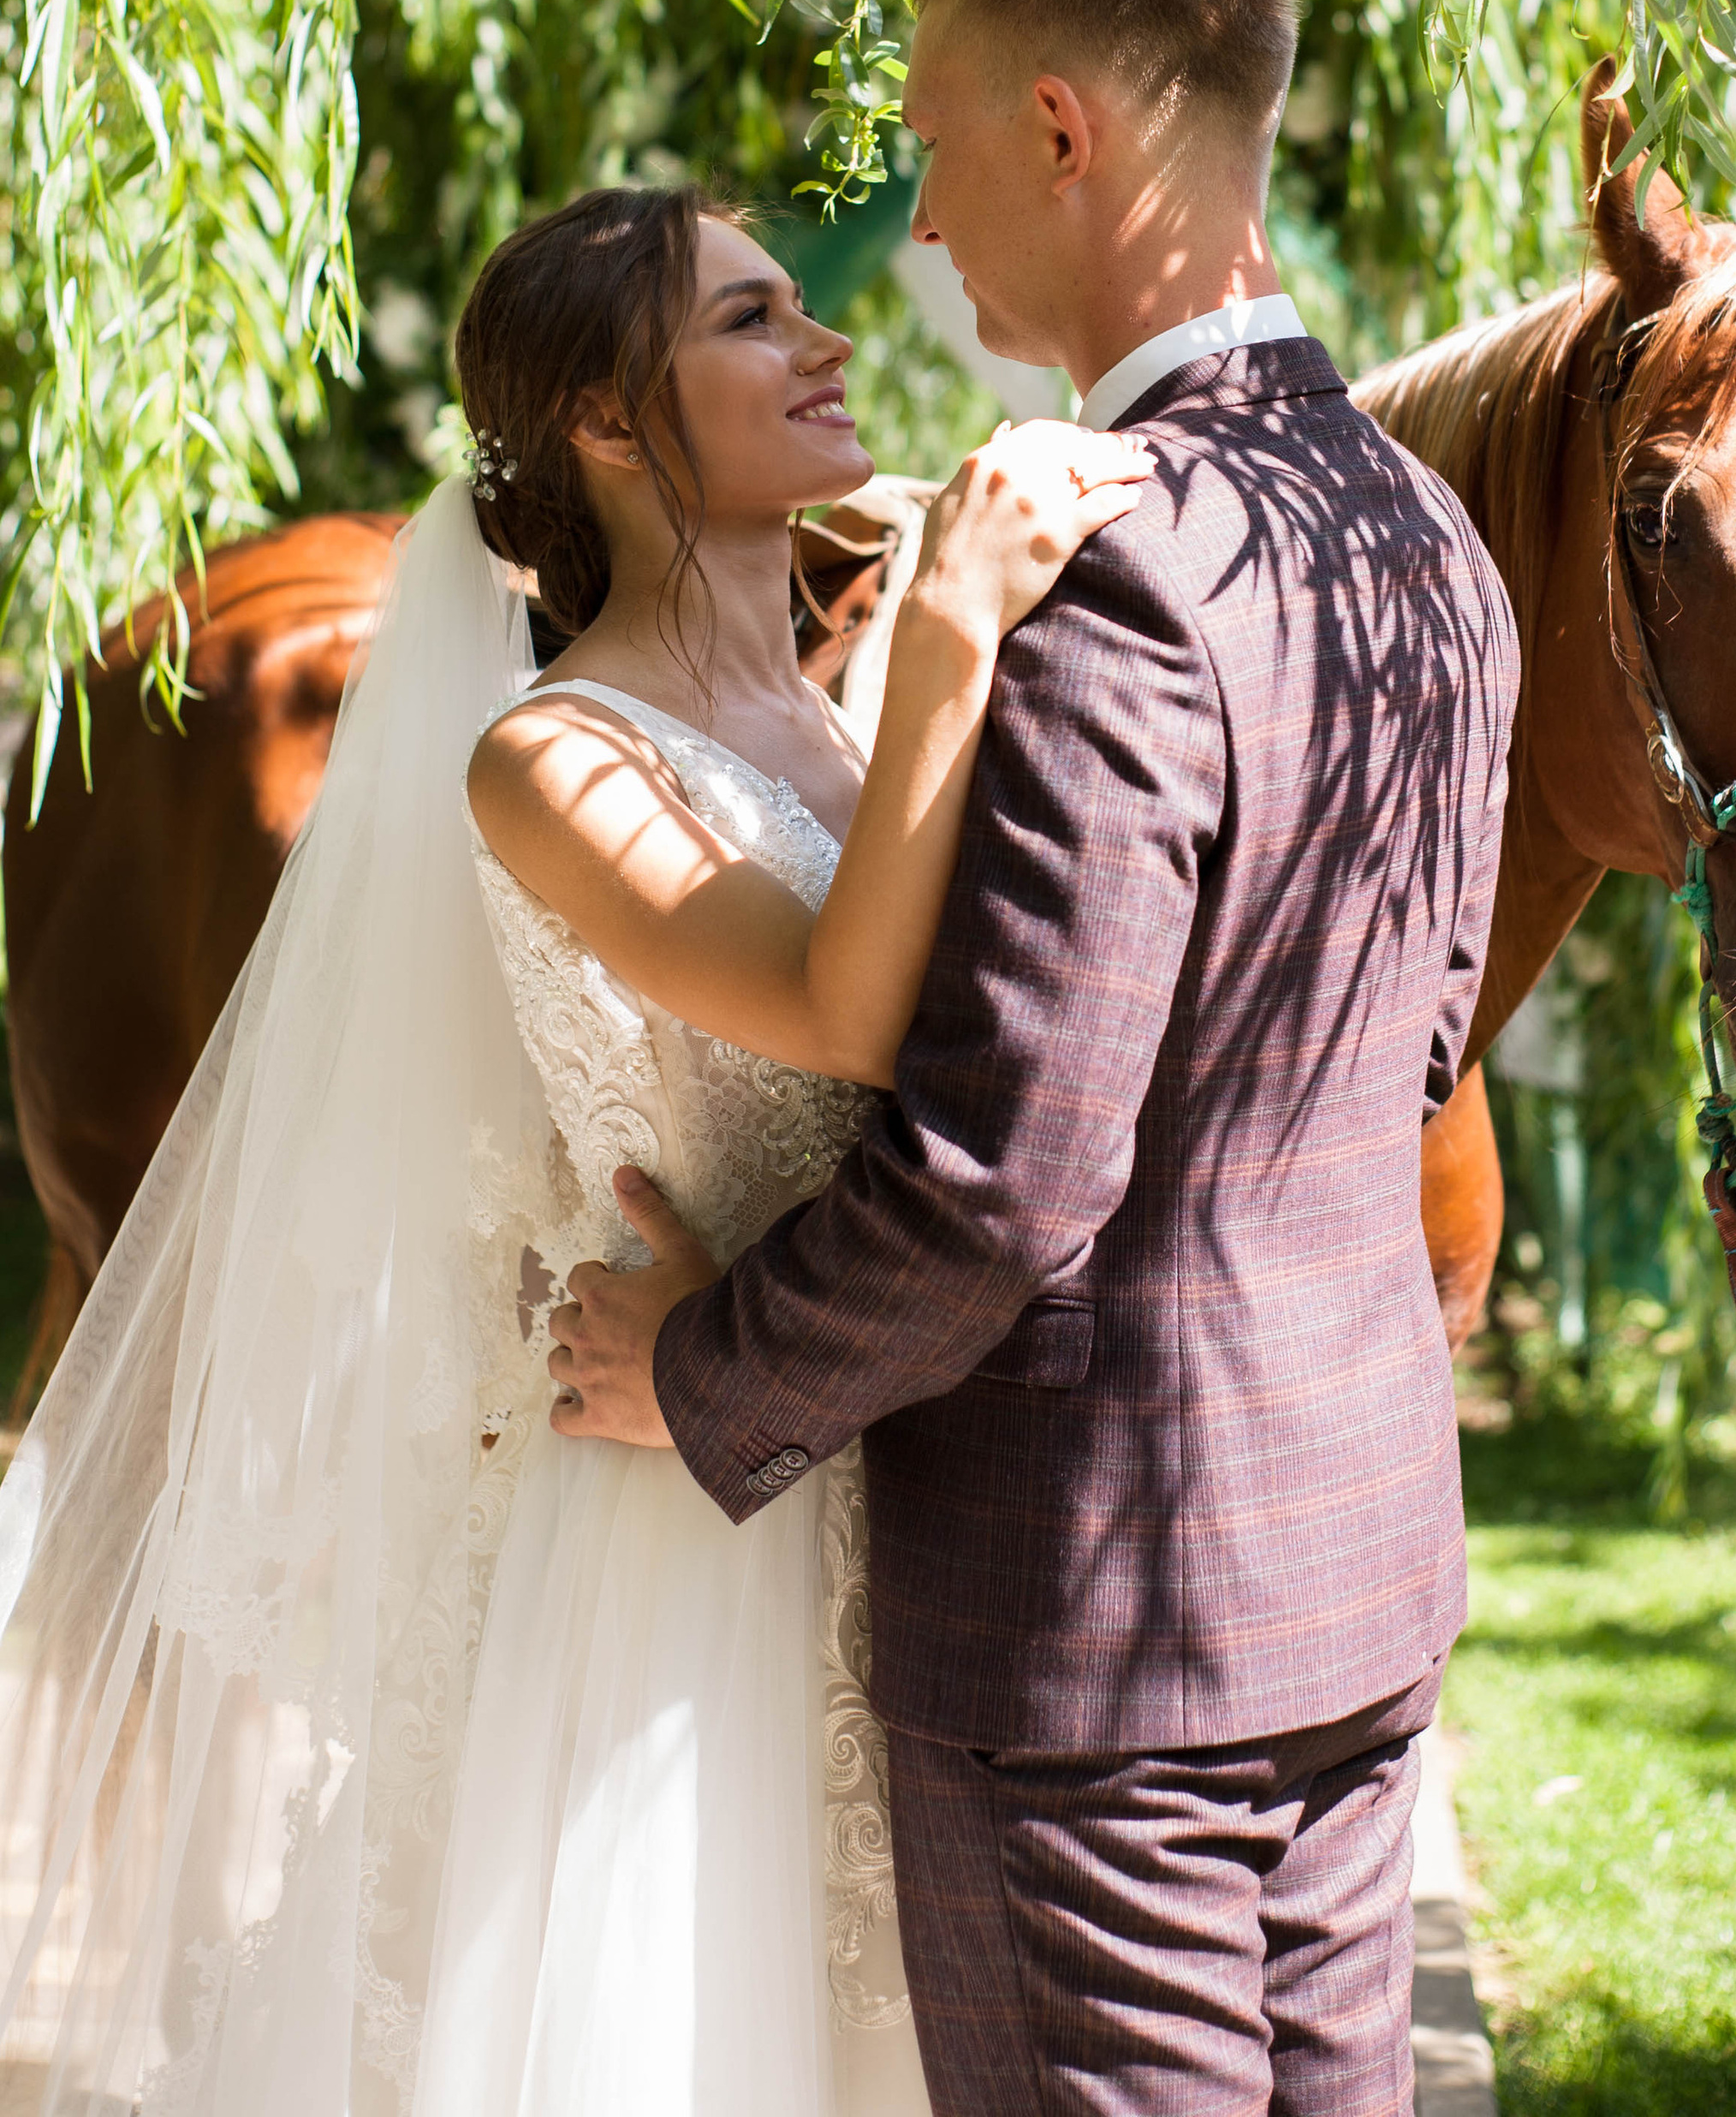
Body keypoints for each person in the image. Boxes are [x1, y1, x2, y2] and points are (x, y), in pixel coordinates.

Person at [0, 179, 1145, 2117]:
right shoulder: (548, 761)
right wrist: (953, 621)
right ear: (611, 427)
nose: (830, 343)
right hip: (691, 1526)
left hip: (879, 1440)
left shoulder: (833, 710)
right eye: (755, 319)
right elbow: (844, 1015)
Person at [551, 0, 1519, 2117]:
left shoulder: (1112, 571)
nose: (923, 224)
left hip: (1100, 1647)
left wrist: (706, 1374)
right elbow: (1421, 1032)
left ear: (1064, 133)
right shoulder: (1422, 534)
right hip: (1356, 1572)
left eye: (934, 137)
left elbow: (1004, 1187)